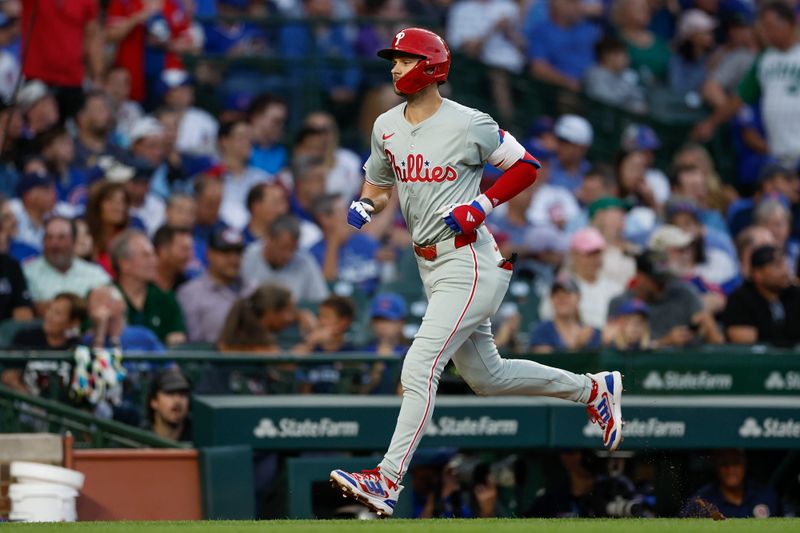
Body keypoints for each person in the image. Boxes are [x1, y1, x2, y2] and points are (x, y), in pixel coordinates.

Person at [330, 28, 624, 517]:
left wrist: (482, 204)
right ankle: (594, 389)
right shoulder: (385, 125)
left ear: (430, 67)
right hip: (431, 265)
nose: (395, 68)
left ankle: (385, 479)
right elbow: (377, 185)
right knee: (488, 377)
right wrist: (365, 203)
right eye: (394, 60)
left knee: (420, 366)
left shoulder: (470, 123)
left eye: (404, 60)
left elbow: (526, 166)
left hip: (468, 259)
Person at [695, 1, 800, 168]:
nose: (766, 33)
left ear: (789, 24)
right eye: (763, 27)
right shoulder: (765, 59)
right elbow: (740, 97)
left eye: (770, 27)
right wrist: (712, 123)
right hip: (779, 151)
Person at [609, 250, 723, 347]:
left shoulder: (684, 294)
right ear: (640, 277)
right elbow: (617, 348)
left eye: (665, 280)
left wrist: (707, 324)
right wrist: (666, 341)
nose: (663, 287)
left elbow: (718, 344)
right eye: (657, 282)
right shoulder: (621, 303)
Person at [20, 0, 104, 118]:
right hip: (37, 78)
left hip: (72, 81)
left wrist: (97, 77)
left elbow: (92, 36)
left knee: (69, 132)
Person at [110, 229, 187, 345]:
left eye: (154, 254)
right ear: (124, 264)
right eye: (146, 255)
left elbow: (178, 337)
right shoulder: (105, 298)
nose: (154, 261)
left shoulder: (165, 299)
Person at [178, 227, 254, 343]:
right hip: (211, 359)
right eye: (226, 252)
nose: (233, 259)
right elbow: (192, 346)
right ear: (209, 254)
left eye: (238, 252)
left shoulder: (253, 289)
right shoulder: (191, 293)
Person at [22, 216, 111, 314]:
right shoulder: (27, 273)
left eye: (61, 237)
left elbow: (112, 302)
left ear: (73, 241)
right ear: (43, 242)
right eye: (49, 237)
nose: (54, 243)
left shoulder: (95, 273)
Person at [540, 228, 624, 329]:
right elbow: (547, 317)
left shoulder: (615, 289)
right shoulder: (560, 289)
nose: (595, 259)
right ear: (574, 255)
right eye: (589, 254)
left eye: (598, 253)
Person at [722, 245, 800, 346]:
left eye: (786, 264)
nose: (785, 271)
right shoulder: (740, 298)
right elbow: (743, 338)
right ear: (757, 273)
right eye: (777, 266)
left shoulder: (795, 294)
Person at [241, 215, 329, 304]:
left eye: (293, 249)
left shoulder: (304, 261)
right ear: (269, 239)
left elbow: (320, 301)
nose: (288, 255)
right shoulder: (247, 257)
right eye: (283, 248)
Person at [681, 449, 781, 518]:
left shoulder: (765, 494)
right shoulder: (702, 500)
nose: (731, 470)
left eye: (736, 463)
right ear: (716, 467)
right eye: (725, 464)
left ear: (745, 464)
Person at [294, 295, 358, 393]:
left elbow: (357, 389)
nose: (320, 321)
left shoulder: (352, 352)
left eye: (326, 317)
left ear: (343, 322)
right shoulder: (310, 349)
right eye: (319, 316)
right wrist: (311, 341)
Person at [218, 119, 272, 230]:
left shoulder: (263, 179)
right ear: (224, 141)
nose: (247, 142)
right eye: (242, 137)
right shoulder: (210, 177)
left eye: (250, 139)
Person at [217, 283, 296, 352]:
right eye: (288, 311)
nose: (290, 318)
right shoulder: (258, 346)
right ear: (270, 312)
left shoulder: (266, 340)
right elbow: (287, 365)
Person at [82, 285, 165, 352]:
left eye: (100, 300)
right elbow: (95, 368)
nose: (94, 307)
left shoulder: (143, 335)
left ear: (121, 304)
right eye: (92, 302)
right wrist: (99, 333)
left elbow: (170, 367)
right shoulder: (88, 339)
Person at [530, 278, 602, 353]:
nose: (561, 297)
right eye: (556, 294)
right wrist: (577, 346)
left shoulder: (592, 333)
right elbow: (545, 361)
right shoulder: (542, 331)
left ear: (578, 298)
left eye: (567, 293)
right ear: (551, 299)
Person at [584, 35, 647, 114]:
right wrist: (630, 105)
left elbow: (640, 102)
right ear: (607, 55)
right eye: (622, 54)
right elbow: (606, 102)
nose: (627, 58)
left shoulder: (626, 74)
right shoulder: (594, 75)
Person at [85, 180, 132, 275]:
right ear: (97, 205)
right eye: (111, 201)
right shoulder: (86, 236)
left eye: (122, 201)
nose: (118, 207)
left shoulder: (129, 240)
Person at [144, 367, 192, 442]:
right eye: (170, 394)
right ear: (154, 401)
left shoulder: (201, 438)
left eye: (182, 394)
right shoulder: (138, 439)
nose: (177, 400)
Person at [247, 94, 289, 175]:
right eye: (276, 121)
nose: (281, 126)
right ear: (256, 117)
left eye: (283, 122)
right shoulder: (239, 148)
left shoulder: (281, 152)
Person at [152, 225, 194, 292]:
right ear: (163, 251)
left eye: (190, 249)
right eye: (184, 249)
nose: (190, 256)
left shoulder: (186, 286)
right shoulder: (142, 281)